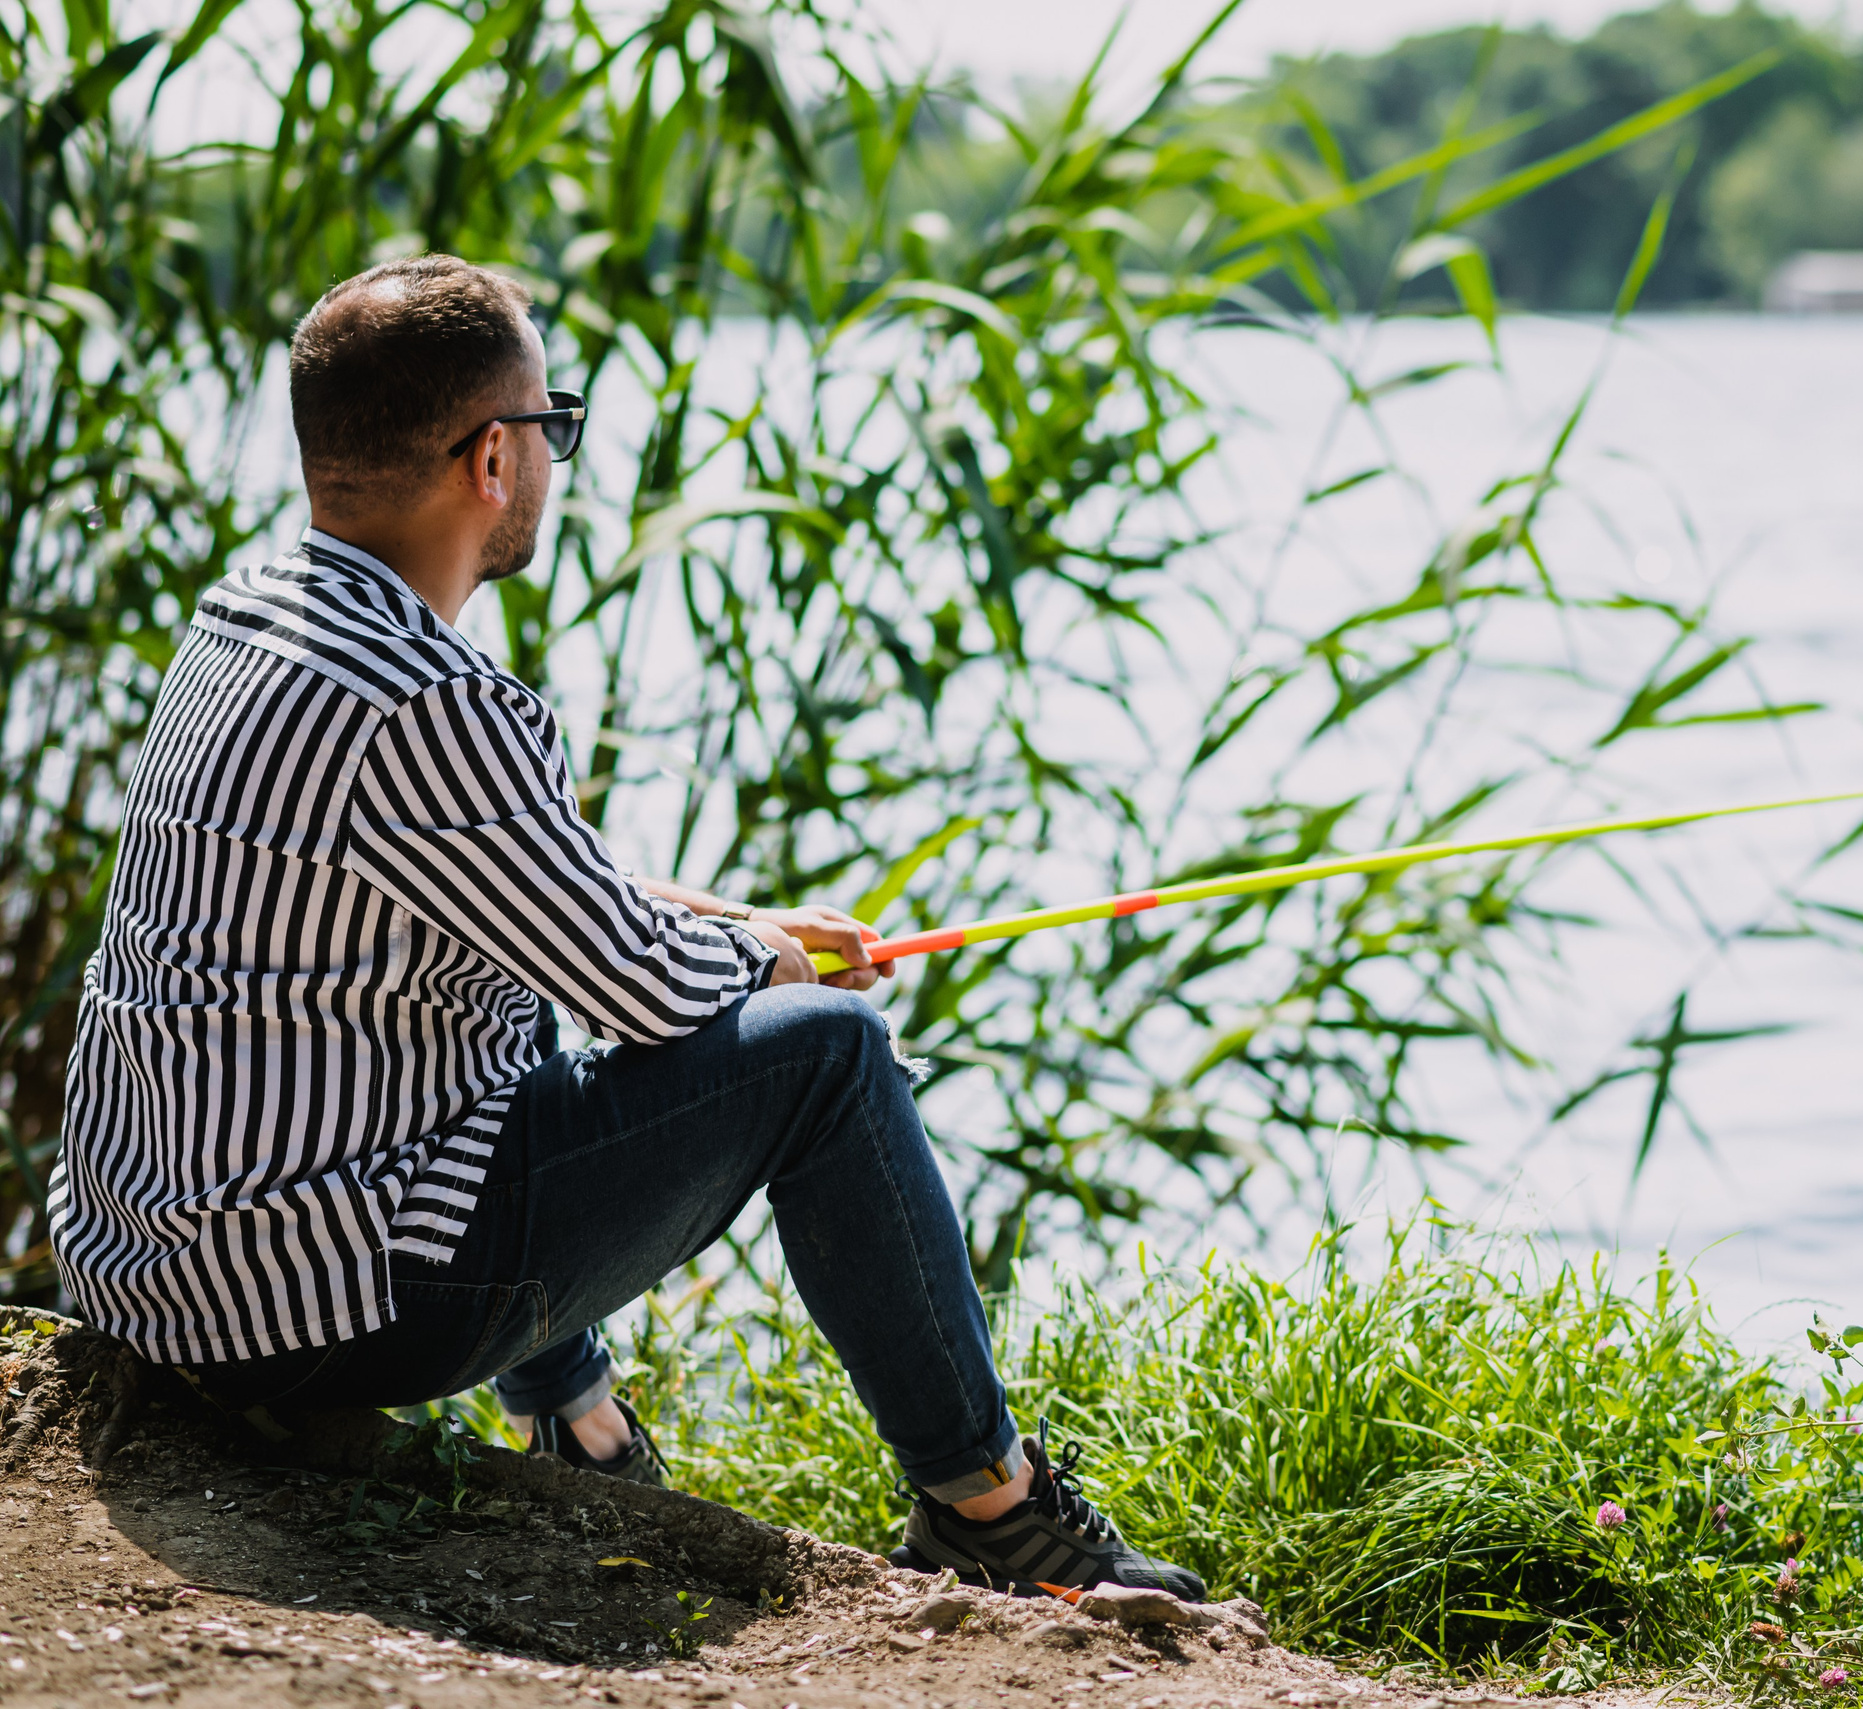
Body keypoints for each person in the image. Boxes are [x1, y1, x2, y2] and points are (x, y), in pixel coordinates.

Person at [49, 253, 1201, 1601]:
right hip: (312, 1321)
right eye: (554, 427)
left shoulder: (247, 623)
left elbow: (536, 894)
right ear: (492, 458)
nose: (555, 457)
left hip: (151, 1279)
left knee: (514, 974)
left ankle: (576, 1418)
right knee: (827, 1054)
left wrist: (743, 918)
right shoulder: (434, 701)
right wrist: (768, 965)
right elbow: (647, 992)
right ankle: (991, 1507)